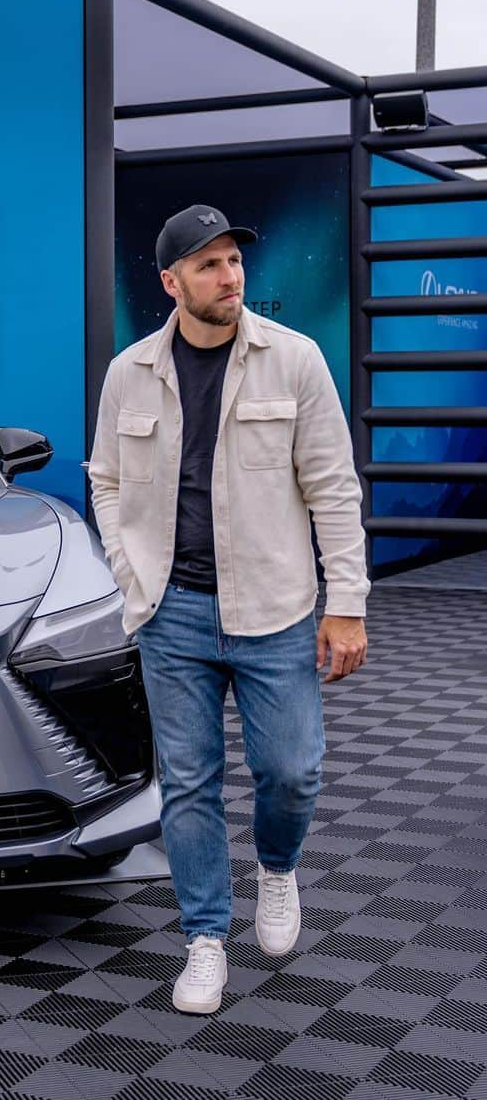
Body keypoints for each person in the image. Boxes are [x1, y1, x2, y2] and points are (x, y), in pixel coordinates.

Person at [88, 203, 369, 1015]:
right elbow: (105, 477)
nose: (230, 276)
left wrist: (345, 602)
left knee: (291, 770)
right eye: (208, 265)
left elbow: (332, 489)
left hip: (275, 607)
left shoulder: (295, 360)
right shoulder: (130, 372)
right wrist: (128, 574)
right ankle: (205, 938)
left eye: (234, 261)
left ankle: (276, 870)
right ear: (172, 282)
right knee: (188, 784)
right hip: (170, 611)